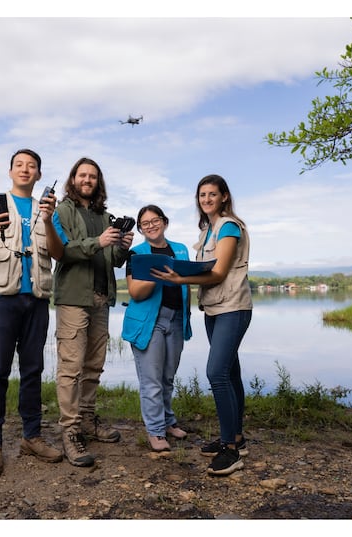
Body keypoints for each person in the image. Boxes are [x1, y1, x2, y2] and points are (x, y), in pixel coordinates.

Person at [0, 148, 65, 477]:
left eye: (31, 166)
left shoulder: (48, 209)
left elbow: (59, 251)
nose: (25, 170)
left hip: (35, 299)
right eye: (19, 165)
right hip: (1, 300)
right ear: (10, 172)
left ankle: (31, 437)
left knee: (33, 370)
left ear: (38, 174)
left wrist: (49, 220)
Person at [150, 174, 252, 476]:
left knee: (216, 373)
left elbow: (219, 272)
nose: (206, 199)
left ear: (223, 196)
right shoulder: (208, 230)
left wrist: (181, 279)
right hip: (215, 309)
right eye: (201, 195)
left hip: (234, 308)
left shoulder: (229, 226)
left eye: (211, 194)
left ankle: (231, 452)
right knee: (231, 374)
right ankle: (235, 438)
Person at [51, 157, 134, 467]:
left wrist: (122, 244)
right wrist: (97, 242)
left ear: (98, 182)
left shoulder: (106, 215)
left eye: (93, 176)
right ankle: (70, 431)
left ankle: (87, 420)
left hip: (101, 298)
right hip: (73, 297)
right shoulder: (62, 212)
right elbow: (62, 251)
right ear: (73, 179)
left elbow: (113, 259)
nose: (87, 180)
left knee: (94, 365)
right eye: (82, 175)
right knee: (71, 367)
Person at [122, 205, 192, 452]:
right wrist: (158, 275)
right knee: (151, 381)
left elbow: (187, 284)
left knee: (167, 378)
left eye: (155, 220)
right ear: (140, 228)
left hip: (176, 318)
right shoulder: (136, 254)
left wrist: (188, 315)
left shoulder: (181, 249)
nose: (151, 225)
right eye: (145, 223)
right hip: (149, 322)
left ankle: (168, 421)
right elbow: (135, 293)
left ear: (164, 222)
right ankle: (155, 431)